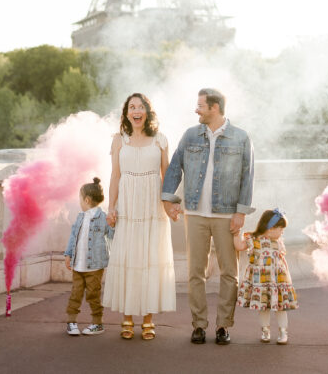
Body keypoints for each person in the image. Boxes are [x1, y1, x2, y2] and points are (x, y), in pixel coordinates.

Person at [162, 88, 255, 345]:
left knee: (229, 273)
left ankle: (223, 326)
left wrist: (240, 212)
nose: (196, 110)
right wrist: (168, 199)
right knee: (195, 272)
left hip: (226, 215)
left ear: (214, 108)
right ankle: (199, 326)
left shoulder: (241, 137)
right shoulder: (191, 135)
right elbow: (174, 167)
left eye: (200, 105)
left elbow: (248, 177)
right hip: (194, 214)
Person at [101, 93, 176, 340]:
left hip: (153, 209)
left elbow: (167, 178)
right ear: (126, 113)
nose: (136, 110)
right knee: (129, 258)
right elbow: (114, 176)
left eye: (140, 106)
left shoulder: (161, 140)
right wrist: (111, 207)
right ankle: (127, 317)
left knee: (150, 260)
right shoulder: (118, 140)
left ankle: (147, 319)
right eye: (131, 107)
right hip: (128, 208)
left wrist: (170, 206)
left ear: (147, 112)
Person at [234, 208, 298, 345]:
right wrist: (236, 234)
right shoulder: (253, 239)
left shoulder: (278, 241)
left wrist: (287, 279)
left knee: (280, 307)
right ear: (270, 228)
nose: (282, 232)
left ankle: (283, 331)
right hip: (260, 282)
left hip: (277, 281)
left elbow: (282, 260)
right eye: (280, 229)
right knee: (263, 307)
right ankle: (265, 330)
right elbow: (239, 246)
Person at [64, 177, 114, 336]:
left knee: (93, 295)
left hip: (95, 266)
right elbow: (73, 237)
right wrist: (68, 254)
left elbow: (112, 235)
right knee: (75, 294)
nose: (79, 201)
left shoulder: (103, 218)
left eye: (80, 198)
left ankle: (97, 323)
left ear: (86, 199)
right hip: (78, 265)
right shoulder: (80, 217)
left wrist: (113, 223)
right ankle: (71, 322)